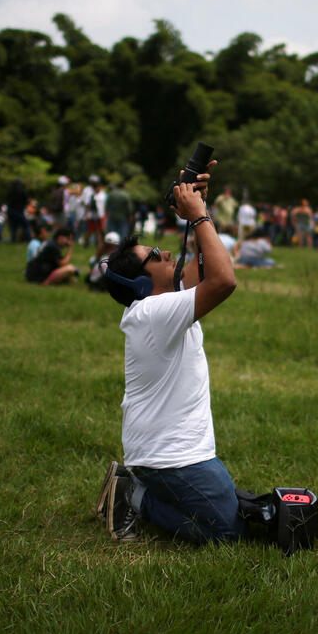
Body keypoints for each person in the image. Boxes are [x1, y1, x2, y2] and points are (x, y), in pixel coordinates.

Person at [97, 165, 248, 545]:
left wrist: (200, 206)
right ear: (143, 284)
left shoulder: (159, 305)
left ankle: (137, 485)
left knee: (234, 516)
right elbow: (224, 280)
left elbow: (206, 269)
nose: (166, 252)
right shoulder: (153, 313)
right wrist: (198, 215)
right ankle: (133, 496)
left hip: (167, 451)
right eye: (156, 256)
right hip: (169, 457)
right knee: (228, 533)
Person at [7, 178, 30, 243]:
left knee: (13, 227)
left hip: (11, 211)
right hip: (19, 211)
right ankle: (28, 239)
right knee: (25, 226)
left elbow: (7, 200)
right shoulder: (22, 191)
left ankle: (13, 240)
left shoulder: (11, 191)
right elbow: (26, 200)